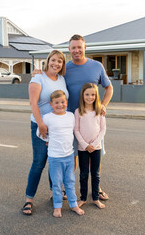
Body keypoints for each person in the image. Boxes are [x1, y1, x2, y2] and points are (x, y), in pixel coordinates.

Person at [33, 34, 113, 201]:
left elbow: (109, 87)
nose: (77, 50)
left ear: (85, 48)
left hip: (93, 121)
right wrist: (39, 71)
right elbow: (52, 75)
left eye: (79, 47)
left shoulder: (97, 66)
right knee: (73, 157)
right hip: (72, 121)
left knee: (93, 157)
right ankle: (64, 189)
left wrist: (103, 105)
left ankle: (96, 189)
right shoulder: (65, 68)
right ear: (69, 50)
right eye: (73, 47)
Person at [22, 50, 69, 215]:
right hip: (40, 126)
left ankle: (53, 192)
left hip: (57, 127)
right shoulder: (38, 77)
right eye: (54, 60)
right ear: (48, 61)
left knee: (55, 161)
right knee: (39, 163)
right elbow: (33, 103)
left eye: (60, 62)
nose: (56, 64)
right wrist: (41, 124)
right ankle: (29, 200)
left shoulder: (62, 79)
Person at [41, 90, 84, 218]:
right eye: (57, 103)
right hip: (55, 157)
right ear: (51, 104)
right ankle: (57, 206)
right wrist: (48, 140)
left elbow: (73, 131)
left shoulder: (70, 115)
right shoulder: (48, 117)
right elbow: (41, 132)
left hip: (69, 155)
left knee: (70, 181)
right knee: (57, 183)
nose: (60, 105)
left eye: (62, 102)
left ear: (66, 102)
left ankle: (73, 204)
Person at [74, 83, 106, 209]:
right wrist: (85, 145)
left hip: (96, 147)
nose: (90, 97)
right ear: (83, 95)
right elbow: (76, 130)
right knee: (83, 173)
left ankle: (95, 198)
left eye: (93, 94)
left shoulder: (99, 110)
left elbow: (103, 129)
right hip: (83, 148)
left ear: (96, 96)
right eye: (87, 94)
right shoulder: (78, 111)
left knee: (95, 173)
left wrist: (93, 144)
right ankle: (82, 198)